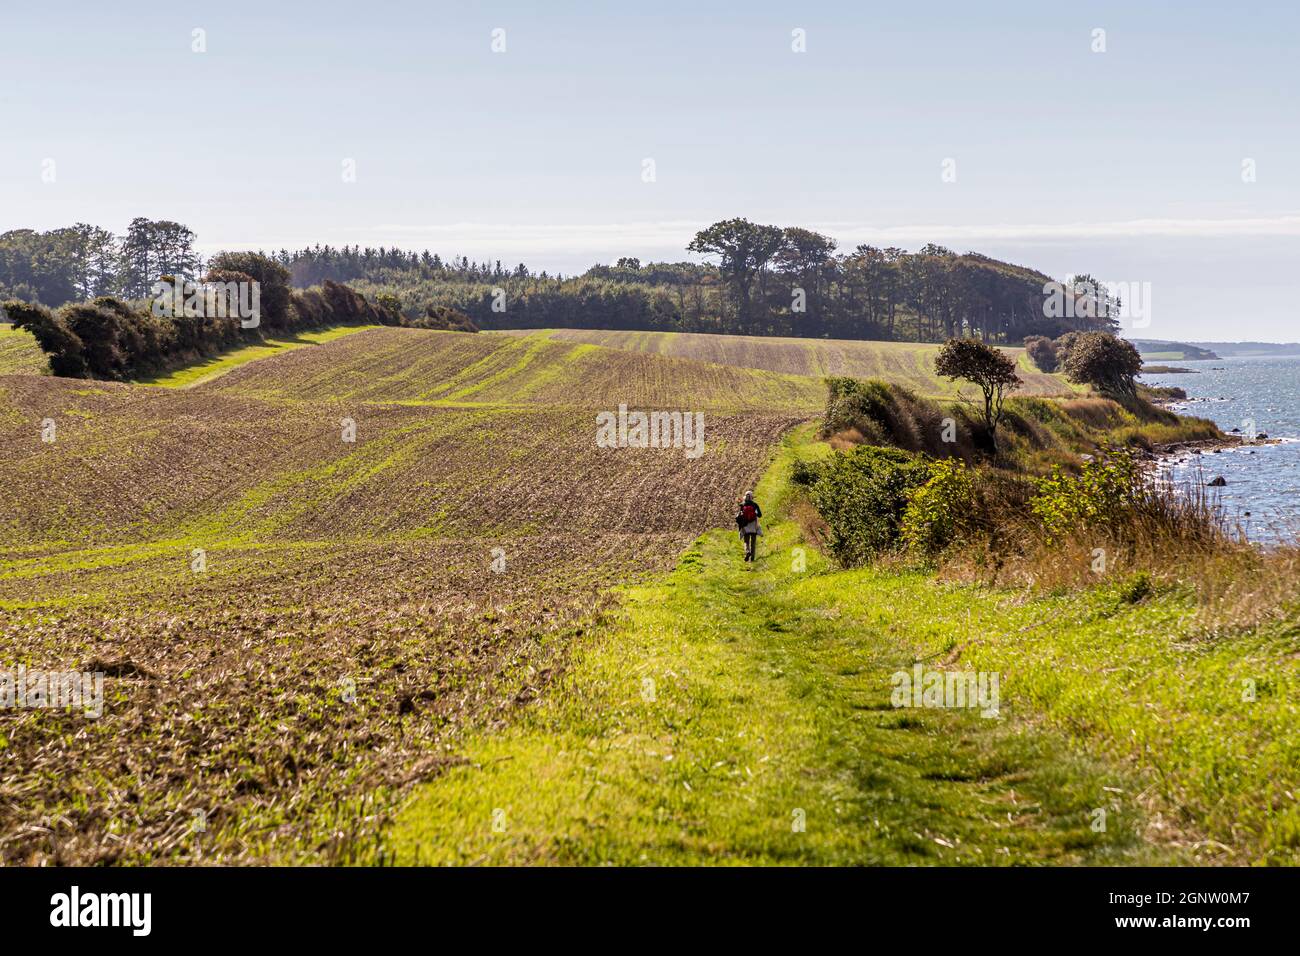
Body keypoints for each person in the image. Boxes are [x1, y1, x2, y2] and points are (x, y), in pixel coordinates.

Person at [734, 491, 762, 563]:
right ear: (752, 497)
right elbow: (760, 515)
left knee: (746, 542)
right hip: (753, 526)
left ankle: (747, 552)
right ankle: (752, 559)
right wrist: (755, 513)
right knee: (753, 542)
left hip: (745, 526)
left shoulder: (743, 505)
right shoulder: (755, 505)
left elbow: (740, 516)